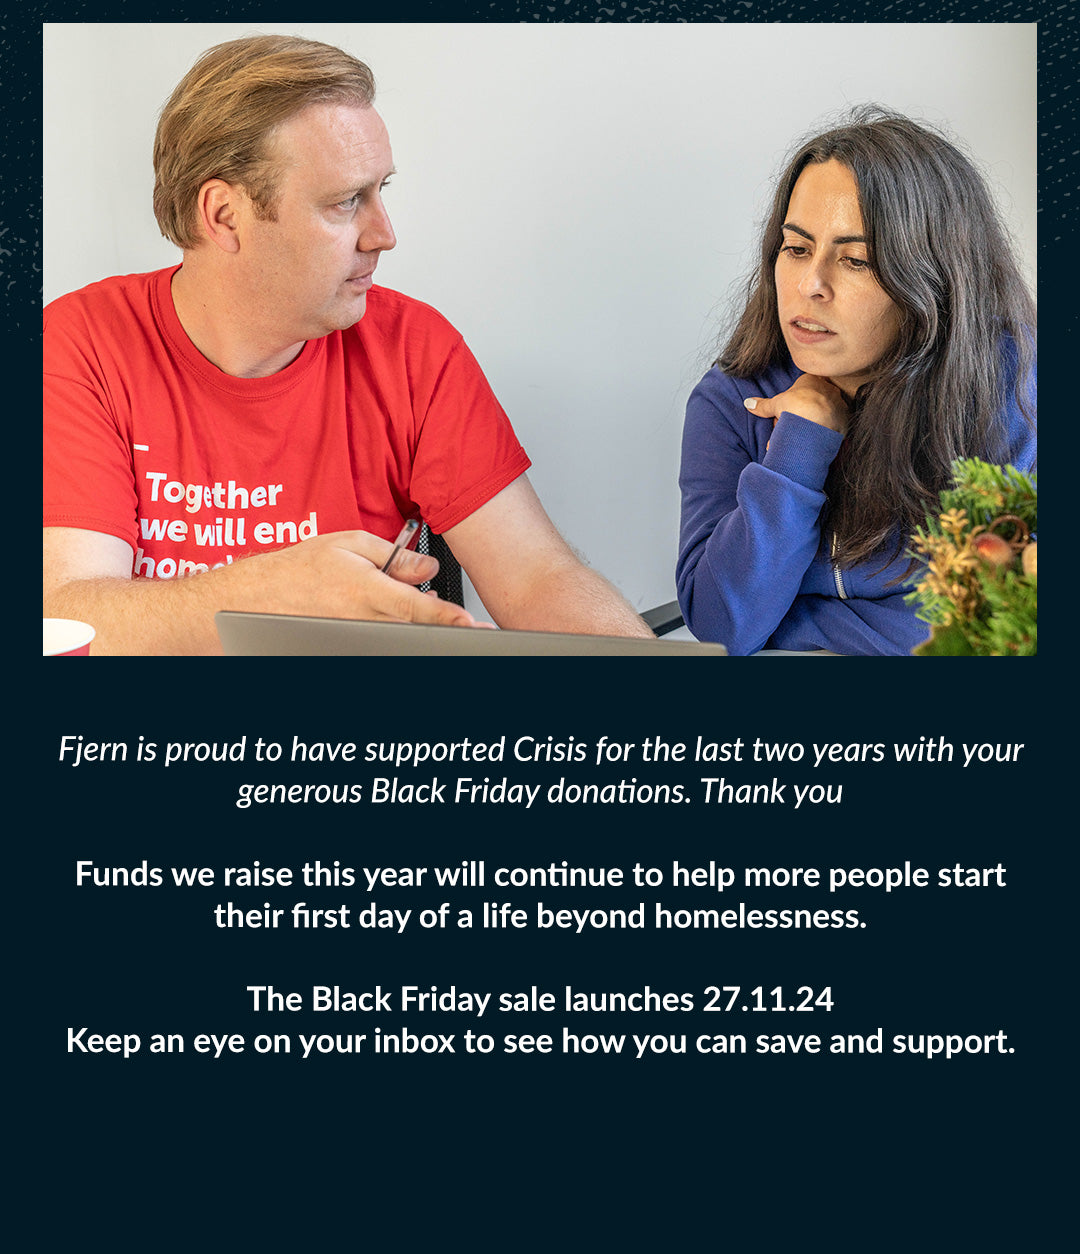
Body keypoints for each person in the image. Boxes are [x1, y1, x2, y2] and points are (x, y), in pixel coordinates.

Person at [43, 34, 652, 654]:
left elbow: (536, 578)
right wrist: (268, 597)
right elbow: (68, 617)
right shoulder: (78, 346)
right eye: (344, 202)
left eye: (381, 190)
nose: (384, 235)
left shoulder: (415, 349)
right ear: (224, 215)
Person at [676, 107, 1036, 656]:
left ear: (933, 279)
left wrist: (790, 629)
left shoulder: (1014, 388)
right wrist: (800, 445)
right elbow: (721, 625)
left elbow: (992, 631)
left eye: (856, 261)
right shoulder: (735, 399)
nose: (810, 284)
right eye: (795, 249)